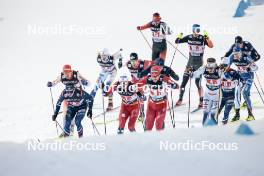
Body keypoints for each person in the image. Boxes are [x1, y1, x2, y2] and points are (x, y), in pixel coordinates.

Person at [175, 24, 214, 108]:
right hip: (190, 63)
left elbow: (211, 46)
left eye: (198, 30)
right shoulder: (189, 37)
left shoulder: (202, 38)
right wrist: (179, 35)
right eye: (196, 29)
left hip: (199, 64)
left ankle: (201, 100)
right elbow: (177, 41)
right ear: (193, 30)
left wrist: (208, 38)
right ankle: (180, 99)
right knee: (183, 82)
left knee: (198, 83)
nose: (197, 31)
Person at [47, 64, 90, 135]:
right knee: (66, 114)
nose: (67, 75)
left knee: (74, 115)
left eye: (68, 73)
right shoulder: (62, 76)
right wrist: (50, 84)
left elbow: (88, 83)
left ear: (71, 71)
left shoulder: (76, 74)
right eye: (65, 73)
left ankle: (72, 129)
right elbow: (55, 82)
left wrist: (85, 83)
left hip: (78, 96)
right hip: (68, 96)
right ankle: (66, 131)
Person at [224, 36, 260, 107]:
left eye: (239, 44)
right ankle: (238, 102)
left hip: (248, 63)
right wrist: (224, 61)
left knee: (247, 84)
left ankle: (247, 98)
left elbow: (258, 56)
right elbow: (228, 54)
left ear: (242, 42)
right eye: (236, 44)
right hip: (240, 66)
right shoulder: (234, 47)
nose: (238, 45)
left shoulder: (247, 45)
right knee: (240, 84)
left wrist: (251, 63)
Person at [141, 65, 179, 131]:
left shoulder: (164, 78)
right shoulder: (148, 78)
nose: (154, 78)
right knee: (148, 127)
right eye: (153, 76)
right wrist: (140, 94)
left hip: (162, 104)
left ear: (159, 74)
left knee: (159, 127)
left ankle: (160, 133)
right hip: (151, 104)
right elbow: (137, 85)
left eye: (156, 76)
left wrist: (173, 85)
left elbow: (177, 86)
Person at [229, 47, 258, 122]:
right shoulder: (233, 57)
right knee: (236, 94)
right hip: (240, 78)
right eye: (234, 54)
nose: (236, 56)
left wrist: (250, 68)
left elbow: (256, 67)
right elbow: (226, 64)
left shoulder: (246, 57)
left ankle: (250, 115)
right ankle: (237, 115)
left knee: (245, 93)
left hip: (248, 78)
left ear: (240, 53)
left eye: (237, 54)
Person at [192, 58, 222, 125]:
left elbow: (226, 77)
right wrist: (191, 73)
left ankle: (214, 130)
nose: (210, 69)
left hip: (216, 94)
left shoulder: (219, 70)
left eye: (211, 67)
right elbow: (195, 74)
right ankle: (204, 130)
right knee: (205, 113)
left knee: (213, 115)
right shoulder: (204, 68)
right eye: (209, 66)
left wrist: (225, 70)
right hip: (207, 93)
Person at [126, 52, 152, 121]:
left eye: (135, 61)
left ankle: (142, 114)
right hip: (134, 82)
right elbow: (122, 66)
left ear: (138, 60)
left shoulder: (143, 63)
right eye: (132, 61)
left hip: (143, 81)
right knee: (127, 92)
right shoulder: (128, 64)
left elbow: (154, 64)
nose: (133, 63)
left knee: (140, 95)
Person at [218, 58, 240, 124]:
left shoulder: (233, 72)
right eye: (222, 65)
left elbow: (236, 81)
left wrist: (225, 74)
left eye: (225, 65)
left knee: (226, 111)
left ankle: (224, 125)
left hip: (230, 96)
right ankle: (212, 124)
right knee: (217, 110)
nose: (224, 67)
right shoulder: (219, 71)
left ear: (229, 65)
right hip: (222, 96)